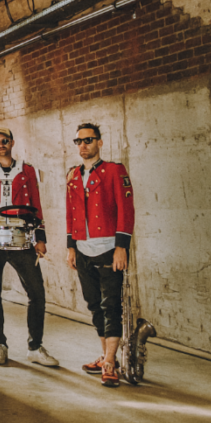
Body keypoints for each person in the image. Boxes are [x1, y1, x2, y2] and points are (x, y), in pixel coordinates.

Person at [0, 127, 59, 367]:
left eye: (4, 141)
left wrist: (41, 238)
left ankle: (35, 347)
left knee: (37, 292)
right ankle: (0, 345)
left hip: (22, 238)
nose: (0, 145)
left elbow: (36, 205)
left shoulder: (27, 170)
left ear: (12, 143)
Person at [66, 122, 135, 388]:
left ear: (100, 143)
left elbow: (125, 210)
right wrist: (71, 246)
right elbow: (71, 211)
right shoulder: (73, 174)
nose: (83, 146)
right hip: (82, 249)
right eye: (79, 141)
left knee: (111, 307)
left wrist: (122, 247)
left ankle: (109, 363)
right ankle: (108, 356)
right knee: (94, 305)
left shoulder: (114, 171)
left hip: (108, 248)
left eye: (88, 140)